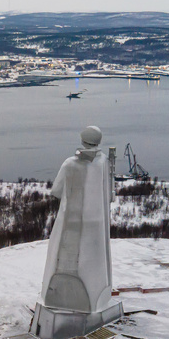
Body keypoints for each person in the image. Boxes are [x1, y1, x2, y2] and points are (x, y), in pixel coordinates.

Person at [38, 126, 113, 314]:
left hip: (69, 223)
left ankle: (59, 298)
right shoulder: (103, 162)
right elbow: (108, 194)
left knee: (62, 260)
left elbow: (56, 190)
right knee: (93, 266)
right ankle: (95, 300)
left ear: (82, 140)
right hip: (95, 225)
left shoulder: (70, 164)